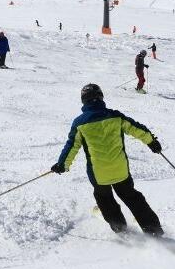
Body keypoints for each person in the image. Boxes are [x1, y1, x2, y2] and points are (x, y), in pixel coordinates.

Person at [51, 84, 163, 236]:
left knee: (104, 198)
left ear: (84, 101)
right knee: (131, 196)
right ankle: (153, 229)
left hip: (98, 174)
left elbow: (72, 145)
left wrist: (62, 165)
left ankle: (120, 228)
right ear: (101, 97)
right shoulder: (115, 116)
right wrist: (151, 142)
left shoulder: (80, 123)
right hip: (120, 169)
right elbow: (136, 128)